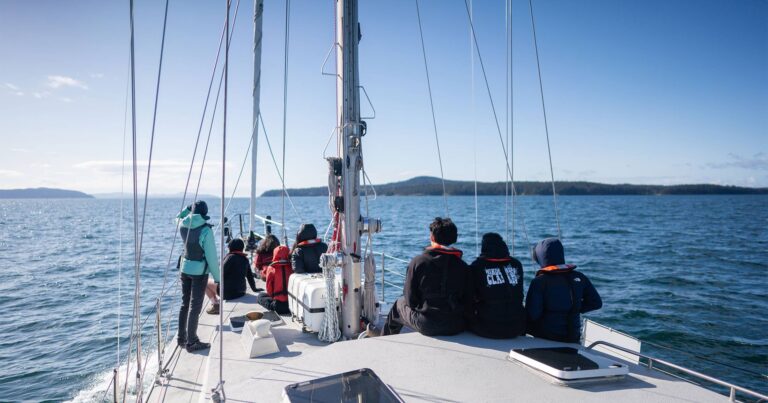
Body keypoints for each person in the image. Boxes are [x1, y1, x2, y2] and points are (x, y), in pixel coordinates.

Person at [380, 217, 470, 336]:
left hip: (427, 324)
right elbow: (467, 300)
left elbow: (410, 299)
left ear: (432, 238)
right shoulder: (463, 266)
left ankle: (385, 339)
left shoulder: (418, 262)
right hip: (456, 324)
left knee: (399, 304)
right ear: (455, 238)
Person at [525, 238, 602, 343]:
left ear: (540, 257)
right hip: (573, 338)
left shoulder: (539, 282)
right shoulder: (579, 276)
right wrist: (574, 308)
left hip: (546, 338)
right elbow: (596, 303)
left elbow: (533, 314)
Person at [176, 200, 220, 352]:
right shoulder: (206, 230)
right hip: (199, 272)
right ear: (204, 214)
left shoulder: (182, 224)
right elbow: (212, 257)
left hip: (184, 269)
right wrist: (218, 278)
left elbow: (177, 216)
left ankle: (181, 338)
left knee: (184, 304)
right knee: (195, 307)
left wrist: (187, 209)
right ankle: (192, 341)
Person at [468, 233, 526, 339]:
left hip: (488, 328)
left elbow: (469, 297)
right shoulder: (517, 264)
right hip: (516, 327)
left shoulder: (477, 266)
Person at [204, 239, 258, 315]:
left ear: (230, 247)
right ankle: (216, 302)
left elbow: (220, 274)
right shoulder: (245, 259)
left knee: (204, 281)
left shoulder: (230, 257)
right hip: (241, 292)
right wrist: (254, 289)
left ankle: (215, 305)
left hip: (228, 293)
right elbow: (250, 276)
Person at [257, 245, 293, 314]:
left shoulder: (271, 268)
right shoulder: (292, 266)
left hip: (278, 306)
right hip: (292, 305)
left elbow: (269, 288)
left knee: (260, 296)